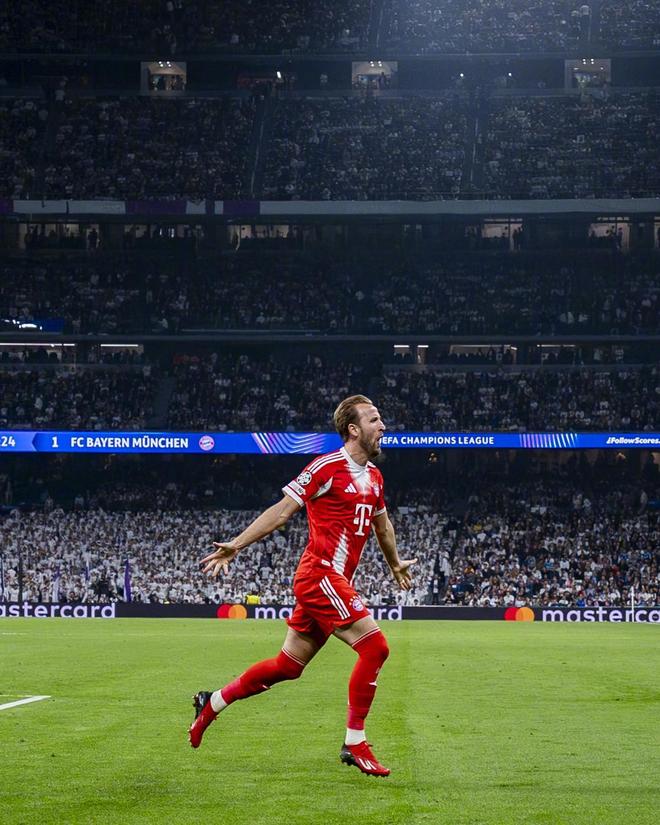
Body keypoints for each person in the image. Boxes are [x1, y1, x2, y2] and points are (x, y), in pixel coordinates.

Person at [188, 395, 417, 777]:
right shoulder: (326, 467)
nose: (383, 426)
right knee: (375, 647)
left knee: (288, 666)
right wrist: (237, 545)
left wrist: (395, 563)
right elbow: (282, 511)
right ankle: (355, 742)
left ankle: (212, 702)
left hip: (332, 581)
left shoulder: (375, 477)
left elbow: (383, 526)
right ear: (353, 429)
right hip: (320, 575)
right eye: (374, 420)